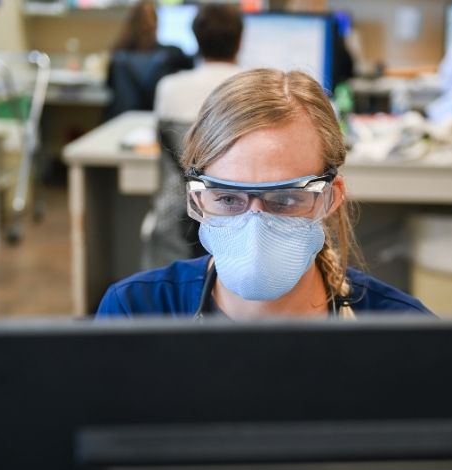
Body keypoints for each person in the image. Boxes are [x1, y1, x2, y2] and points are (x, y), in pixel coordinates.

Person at [98, 69, 431, 319]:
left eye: (284, 199)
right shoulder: (136, 313)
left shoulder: (402, 330)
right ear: (197, 200)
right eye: (228, 199)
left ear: (331, 197)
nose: (255, 225)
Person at [141, 3, 245, 269]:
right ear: (240, 40)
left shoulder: (170, 87)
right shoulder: (251, 89)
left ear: (196, 39)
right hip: (239, 218)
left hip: (175, 221)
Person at [104, 0, 192, 120]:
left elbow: (109, 86)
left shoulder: (118, 56)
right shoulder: (174, 54)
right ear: (157, 24)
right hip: (158, 123)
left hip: (121, 123)